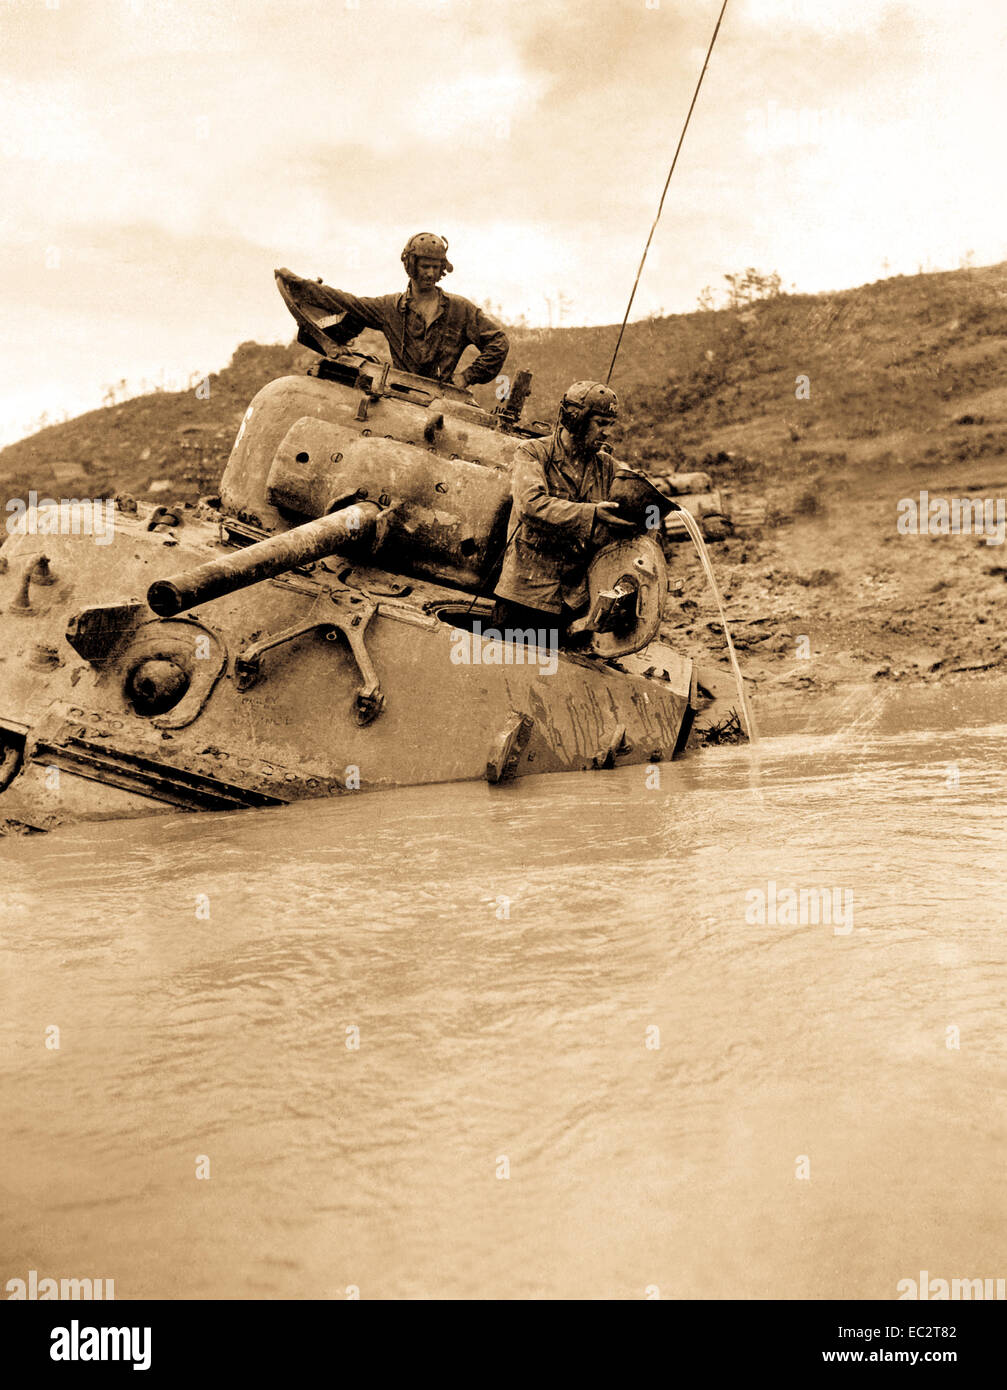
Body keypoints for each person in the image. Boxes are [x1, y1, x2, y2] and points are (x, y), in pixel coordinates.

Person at [492, 380, 636, 640]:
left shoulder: (608, 468)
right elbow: (530, 505)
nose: (607, 433)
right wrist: (592, 514)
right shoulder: (534, 453)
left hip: (572, 602)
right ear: (575, 419)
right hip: (524, 596)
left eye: (610, 425)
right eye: (601, 423)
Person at [275, 233, 508, 388]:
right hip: (400, 392)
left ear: (441, 270)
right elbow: (348, 302)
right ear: (411, 266)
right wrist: (302, 286)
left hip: (444, 395)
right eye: (424, 266)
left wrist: (467, 376)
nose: (429, 273)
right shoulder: (390, 308)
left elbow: (498, 341)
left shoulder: (460, 309)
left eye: (435, 267)